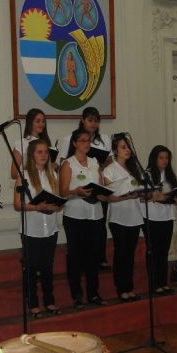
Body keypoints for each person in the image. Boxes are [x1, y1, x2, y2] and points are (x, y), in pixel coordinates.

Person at [14, 139, 62, 317]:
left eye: (46, 152)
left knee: (48, 266)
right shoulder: (23, 175)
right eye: (39, 152)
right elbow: (17, 204)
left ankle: (49, 301)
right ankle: (33, 304)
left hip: (50, 228)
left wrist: (58, 206)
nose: (43, 155)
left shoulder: (53, 174)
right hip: (31, 229)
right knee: (32, 267)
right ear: (32, 155)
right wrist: (36, 207)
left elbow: (58, 201)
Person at [59, 127, 107, 308]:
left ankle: (93, 293)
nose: (86, 144)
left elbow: (101, 189)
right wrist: (76, 192)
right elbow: (62, 192)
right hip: (75, 215)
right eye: (82, 141)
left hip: (95, 215)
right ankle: (77, 294)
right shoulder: (68, 164)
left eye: (88, 140)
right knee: (76, 256)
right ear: (74, 144)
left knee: (93, 256)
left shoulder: (95, 162)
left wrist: (105, 193)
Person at [61, 107, 111, 269]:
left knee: (98, 230)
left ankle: (99, 260)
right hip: (76, 197)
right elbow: (62, 164)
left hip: (96, 185)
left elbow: (109, 163)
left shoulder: (104, 139)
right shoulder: (69, 140)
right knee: (77, 245)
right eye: (90, 119)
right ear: (82, 120)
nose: (94, 123)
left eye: (96, 120)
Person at [103, 134, 144, 301]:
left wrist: (143, 193)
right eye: (123, 147)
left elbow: (140, 191)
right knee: (121, 253)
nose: (127, 151)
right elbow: (108, 197)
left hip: (134, 215)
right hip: (118, 217)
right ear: (115, 150)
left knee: (130, 254)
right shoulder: (109, 170)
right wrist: (127, 197)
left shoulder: (134, 169)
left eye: (128, 147)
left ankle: (129, 287)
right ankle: (121, 289)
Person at [145, 145, 177, 295]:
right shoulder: (147, 175)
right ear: (154, 158)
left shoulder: (170, 175)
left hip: (167, 216)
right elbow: (144, 195)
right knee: (153, 251)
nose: (165, 161)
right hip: (152, 217)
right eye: (161, 157)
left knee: (164, 251)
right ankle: (154, 284)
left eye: (167, 158)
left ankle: (163, 282)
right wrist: (157, 196)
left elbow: (174, 194)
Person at [11, 108, 51, 179]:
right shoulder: (21, 143)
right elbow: (14, 173)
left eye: (43, 121)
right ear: (30, 122)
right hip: (27, 184)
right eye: (38, 121)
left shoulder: (45, 143)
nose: (41, 124)